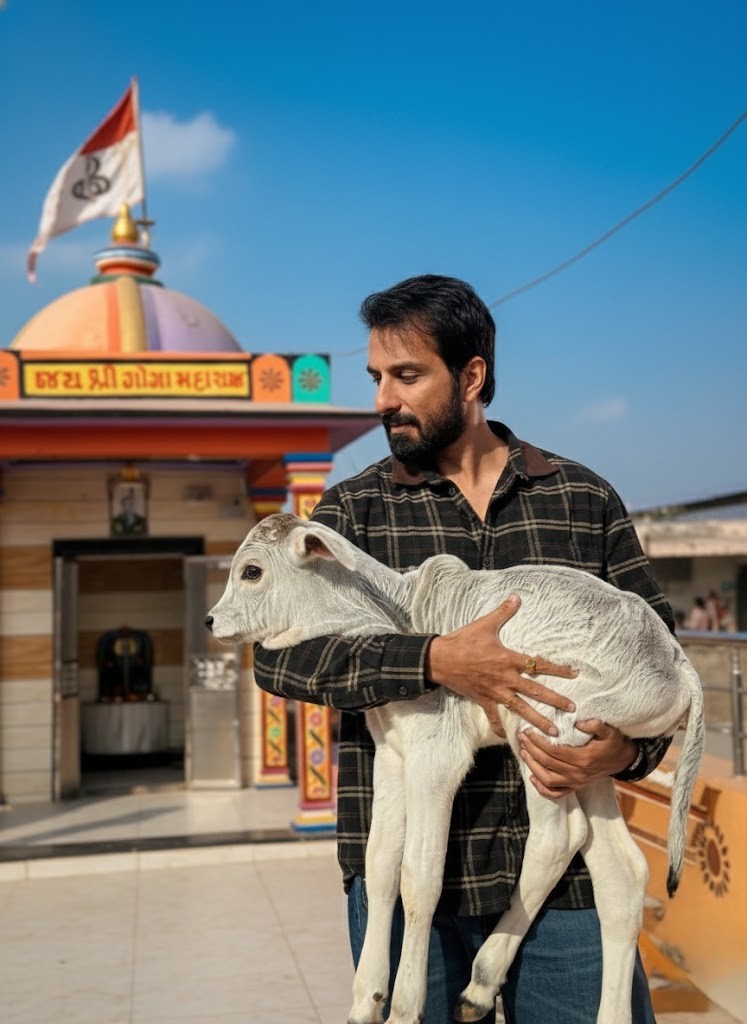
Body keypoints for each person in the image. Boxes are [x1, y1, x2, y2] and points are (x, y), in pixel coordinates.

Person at [254, 275, 673, 1024]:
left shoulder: (582, 499)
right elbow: (277, 657)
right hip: (416, 881)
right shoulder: (353, 512)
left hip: (568, 884)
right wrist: (431, 661)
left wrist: (621, 756)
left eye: (406, 376)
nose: (383, 398)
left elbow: (661, 651)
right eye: (376, 377)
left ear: (471, 375)